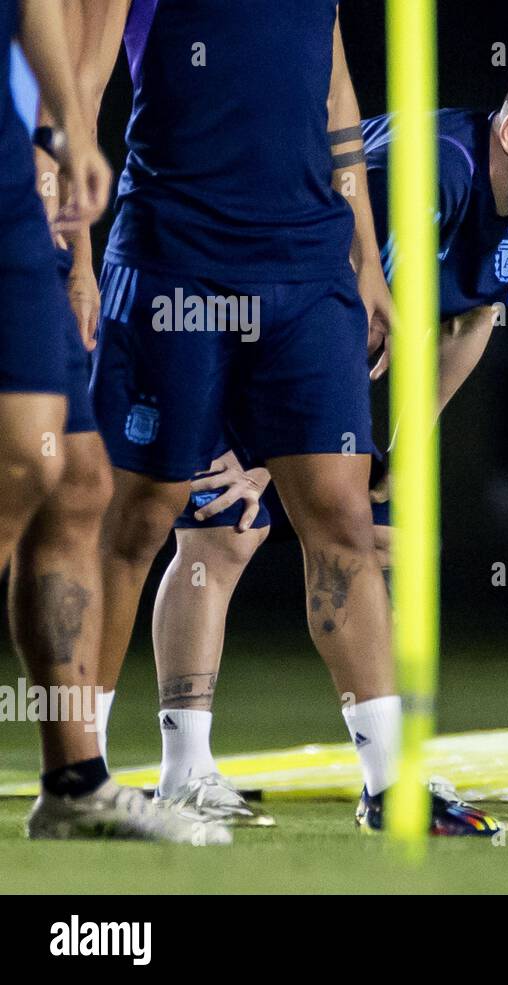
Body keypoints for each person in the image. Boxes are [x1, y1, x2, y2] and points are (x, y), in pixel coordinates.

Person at [130, 50, 508, 834]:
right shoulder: (428, 176)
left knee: (299, 535)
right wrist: (268, 451)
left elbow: (473, 318)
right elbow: (333, 315)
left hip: (297, 328)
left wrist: (400, 449)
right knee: (223, 530)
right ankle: (187, 774)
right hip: (233, 300)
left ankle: (360, 781)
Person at [78, 0, 398, 830]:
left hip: (306, 260)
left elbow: (335, 97)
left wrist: (365, 253)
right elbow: (81, 81)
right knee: (140, 513)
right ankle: (82, 776)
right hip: (173, 252)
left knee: (341, 513)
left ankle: (391, 787)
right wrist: (74, 246)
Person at [3, 0, 225, 844]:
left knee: (80, 482)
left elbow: (68, 68)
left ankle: (74, 779)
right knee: (24, 461)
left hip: (24, 194)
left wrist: (67, 162)